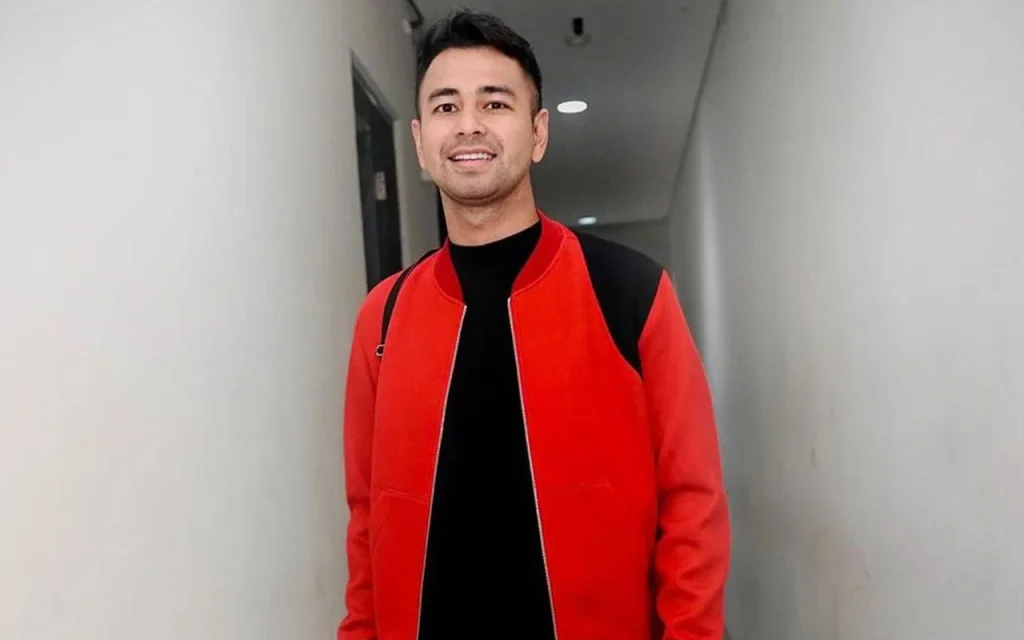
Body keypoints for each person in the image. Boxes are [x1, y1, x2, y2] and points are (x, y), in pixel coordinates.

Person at [338, 8, 730, 640]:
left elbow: (693, 503)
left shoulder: (629, 291)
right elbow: (366, 522)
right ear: (418, 141)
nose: (468, 124)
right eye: (445, 106)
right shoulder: (382, 317)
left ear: (538, 132)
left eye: (495, 104)